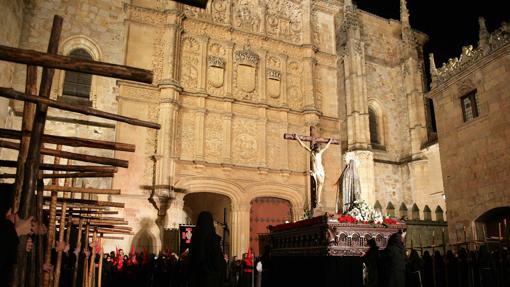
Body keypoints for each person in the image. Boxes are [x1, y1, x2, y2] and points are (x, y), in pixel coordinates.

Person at [188, 211, 226, 287]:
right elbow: (217, 262)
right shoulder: (213, 239)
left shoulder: (194, 239)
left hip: (196, 279)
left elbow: (191, 260)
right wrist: (223, 261)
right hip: (211, 279)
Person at [295, 136, 332, 208]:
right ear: (317, 148)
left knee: (320, 184)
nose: (319, 148)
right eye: (318, 147)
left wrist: (298, 139)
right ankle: (317, 201)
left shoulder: (312, 153)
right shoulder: (317, 153)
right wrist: (330, 141)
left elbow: (304, 146)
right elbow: (326, 147)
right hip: (317, 170)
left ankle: (318, 201)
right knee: (319, 184)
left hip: (319, 170)